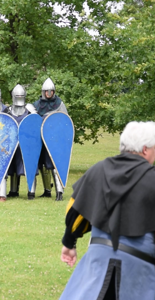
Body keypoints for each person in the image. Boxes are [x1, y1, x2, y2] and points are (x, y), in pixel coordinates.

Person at [59, 121, 155, 300]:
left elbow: (75, 211)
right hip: (140, 271)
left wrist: (69, 243)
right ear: (144, 149)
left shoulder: (98, 170)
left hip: (98, 263)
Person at [33, 78, 68, 201]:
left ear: (54, 91)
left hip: (54, 139)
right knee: (42, 164)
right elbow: (33, 121)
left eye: (51, 91)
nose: (49, 94)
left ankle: (59, 191)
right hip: (40, 138)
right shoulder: (36, 105)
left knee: (54, 164)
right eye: (46, 91)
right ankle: (47, 190)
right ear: (43, 92)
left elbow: (64, 121)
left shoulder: (59, 104)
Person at [6, 84, 37, 199]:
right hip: (12, 142)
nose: (19, 98)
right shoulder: (8, 110)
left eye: (21, 95)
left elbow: (35, 124)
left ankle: (31, 192)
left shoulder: (29, 109)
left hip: (27, 143)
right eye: (17, 96)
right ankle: (13, 191)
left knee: (30, 165)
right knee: (13, 166)